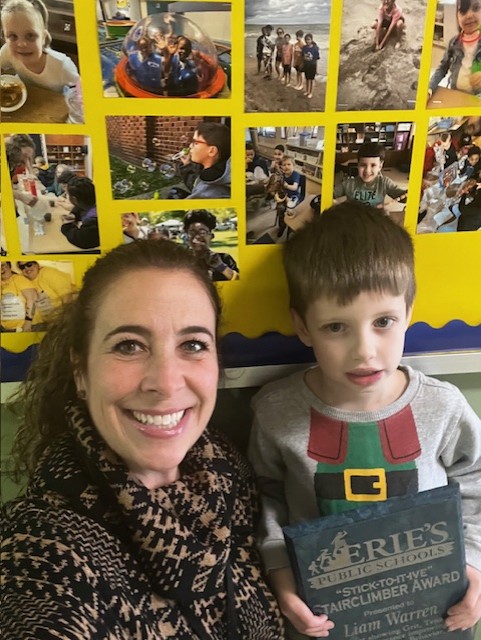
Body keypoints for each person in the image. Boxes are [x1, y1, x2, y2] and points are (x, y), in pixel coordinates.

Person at [2, 240, 285, 639]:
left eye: (192, 345)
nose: (166, 383)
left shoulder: (226, 466)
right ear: (81, 371)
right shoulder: (42, 552)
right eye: (129, 346)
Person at [248, 203, 481, 638]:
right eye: (336, 327)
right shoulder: (276, 412)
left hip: (432, 616)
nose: (365, 351)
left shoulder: (442, 407)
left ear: (409, 312)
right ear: (303, 327)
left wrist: (471, 565)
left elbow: (475, 483)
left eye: (384, 322)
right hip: (328, 619)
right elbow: (267, 502)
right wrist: (282, 583)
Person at [0, 0, 80, 93]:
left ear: (43, 37)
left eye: (30, 36)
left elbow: (80, 89)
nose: (21, 44)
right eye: (13, 36)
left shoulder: (62, 65)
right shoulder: (7, 51)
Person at [429, 0, 481, 98]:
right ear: (457, 15)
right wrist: (429, 88)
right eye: (463, 11)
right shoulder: (453, 42)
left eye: (476, 8)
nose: (469, 15)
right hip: (455, 94)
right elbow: (442, 68)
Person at [334, 142, 407, 207]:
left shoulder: (384, 183)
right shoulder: (348, 184)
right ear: (358, 165)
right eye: (363, 165)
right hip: (355, 220)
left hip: (375, 220)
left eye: (373, 165)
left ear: (380, 166)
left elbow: (403, 197)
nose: (367, 171)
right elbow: (329, 194)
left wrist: (413, 193)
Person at [16, 259, 75, 330]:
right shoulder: (23, 280)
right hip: (42, 323)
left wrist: (66, 321)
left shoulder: (48, 273)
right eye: (22, 267)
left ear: (37, 265)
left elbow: (67, 295)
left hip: (60, 320)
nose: (26, 268)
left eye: (29, 264)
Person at [178, 122, 231, 199]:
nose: (190, 146)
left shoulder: (205, 194)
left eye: (195, 142)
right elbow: (196, 184)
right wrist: (187, 165)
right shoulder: (218, 171)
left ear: (212, 151)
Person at [183, 209, 239, 281]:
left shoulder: (224, 259)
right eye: (192, 232)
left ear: (211, 236)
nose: (197, 236)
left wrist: (220, 266)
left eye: (202, 232)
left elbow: (240, 283)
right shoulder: (180, 261)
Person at [60, 176, 100, 250]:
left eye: (68, 195)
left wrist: (66, 226)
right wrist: (73, 215)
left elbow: (81, 240)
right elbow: (79, 208)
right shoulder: (93, 202)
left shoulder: (93, 221)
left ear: (74, 199)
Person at [1, 260, 37, 332]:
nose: (1, 269)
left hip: (21, 327)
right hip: (4, 328)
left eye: (3, 265)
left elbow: (32, 299)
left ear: (9, 266)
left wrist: (28, 322)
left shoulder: (19, 279)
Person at [300, 33, 319, 99]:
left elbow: (316, 59)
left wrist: (316, 69)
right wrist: (302, 65)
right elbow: (302, 57)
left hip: (312, 66)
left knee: (311, 80)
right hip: (306, 66)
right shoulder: (304, 48)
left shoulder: (315, 48)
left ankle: (311, 92)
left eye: (309, 39)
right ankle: (307, 91)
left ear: (311, 40)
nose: (307, 41)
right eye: (306, 40)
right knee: (307, 79)